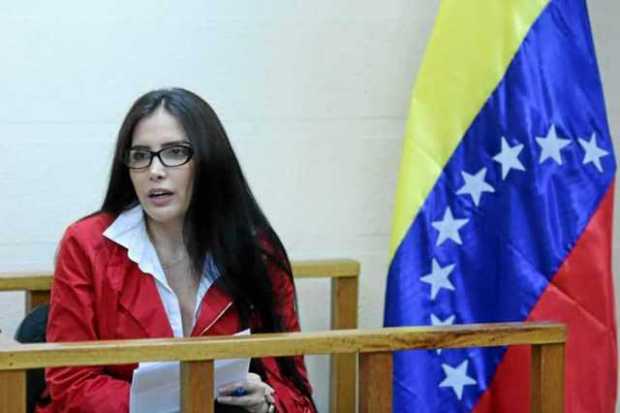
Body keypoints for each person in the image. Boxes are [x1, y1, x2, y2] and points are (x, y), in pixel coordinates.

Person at [37, 88, 316, 413]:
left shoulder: (256, 252)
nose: (154, 170)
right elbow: (71, 384)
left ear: (209, 161)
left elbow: (295, 391)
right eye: (140, 156)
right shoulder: (85, 244)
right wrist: (182, 402)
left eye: (174, 152)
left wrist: (267, 403)